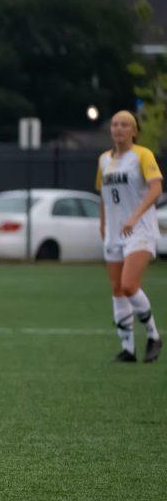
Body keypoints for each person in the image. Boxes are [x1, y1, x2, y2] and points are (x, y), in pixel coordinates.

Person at [97, 110, 161, 363]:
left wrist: (135, 217)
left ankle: (154, 335)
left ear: (134, 131)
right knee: (116, 289)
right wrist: (102, 226)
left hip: (140, 230)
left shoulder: (143, 155)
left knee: (128, 285)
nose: (119, 128)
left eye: (125, 124)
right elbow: (103, 195)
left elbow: (156, 188)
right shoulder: (103, 160)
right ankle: (128, 349)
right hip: (114, 233)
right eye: (115, 124)